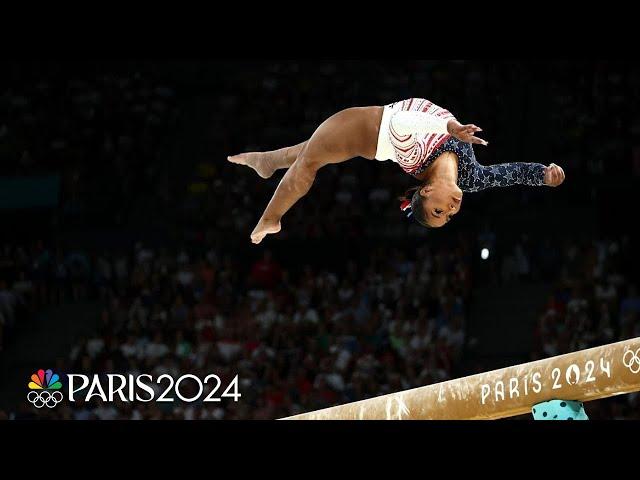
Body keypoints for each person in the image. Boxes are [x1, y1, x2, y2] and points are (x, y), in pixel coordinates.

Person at [228, 98, 565, 244]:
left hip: (361, 128)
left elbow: (405, 121)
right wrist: (543, 175)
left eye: (437, 211)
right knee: (302, 154)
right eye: (447, 217)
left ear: (426, 191)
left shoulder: (414, 152)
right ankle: (267, 163)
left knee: (308, 163)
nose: (450, 211)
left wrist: (448, 126)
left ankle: (270, 218)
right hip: (372, 139)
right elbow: (508, 174)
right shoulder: (471, 179)